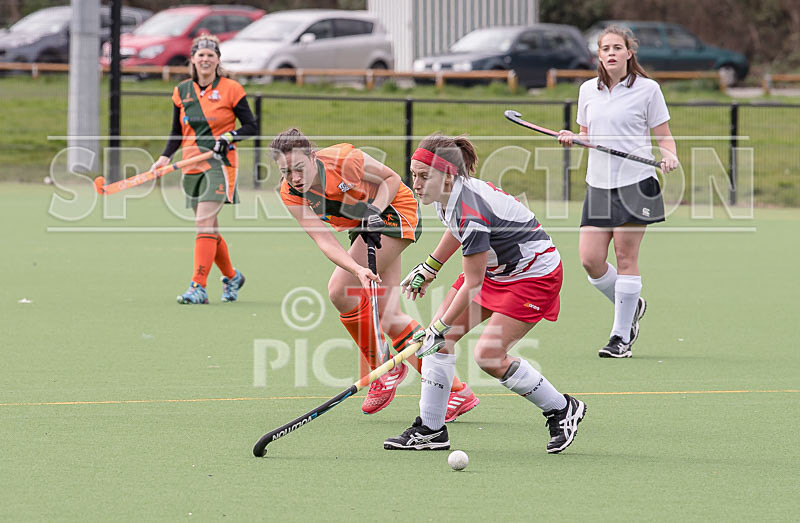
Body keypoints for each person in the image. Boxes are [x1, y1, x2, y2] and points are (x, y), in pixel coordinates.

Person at [383, 135, 586, 454]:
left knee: (488, 355)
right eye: (414, 174)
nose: (416, 184)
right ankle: (431, 429)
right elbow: (455, 228)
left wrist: (440, 326)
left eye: (424, 176)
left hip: (533, 276)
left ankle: (561, 409)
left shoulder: (470, 209)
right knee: (438, 343)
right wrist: (430, 267)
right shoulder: (448, 195)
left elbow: (472, 281)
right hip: (495, 269)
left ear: (447, 176)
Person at [270, 128, 479, 419]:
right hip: (361, 226)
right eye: (285, 171)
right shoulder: (290, 193)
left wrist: (374, 210)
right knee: (389, 316)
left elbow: (391, 179)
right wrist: (357, 268)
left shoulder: (344, 159)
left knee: (340, 292)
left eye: (298, 168)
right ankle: (456, 392)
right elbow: (323, 239)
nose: (294, 178)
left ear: (312, 157)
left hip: (394, 209)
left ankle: (383, 369)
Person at [557, 25, 678, 358]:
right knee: (590, 260)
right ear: (598, 55)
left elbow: (664, 136)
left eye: (617, 48)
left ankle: (620, 336)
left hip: (635, 182)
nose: (610, 53)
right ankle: (632, 304)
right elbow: (586, 135)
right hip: (598, 184)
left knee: (626, 259)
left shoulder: (648, 89)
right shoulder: (587, 91)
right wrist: (574, 137)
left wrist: (669, 154)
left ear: (629, 53)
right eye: (604, 48)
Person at [151, 35, 257, 304]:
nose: (206, 59)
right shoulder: (182, 91)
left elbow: (251, 127)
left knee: (203, 224)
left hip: (219, 164)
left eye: (211, 55)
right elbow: (177, 132)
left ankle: (197, 286)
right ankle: (232, 276)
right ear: (193, 60)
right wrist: (164, 157)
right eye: (201, 55)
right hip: (191, 164)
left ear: (218, 60)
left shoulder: (232, 89)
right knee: (210, 228)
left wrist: (229, 137)